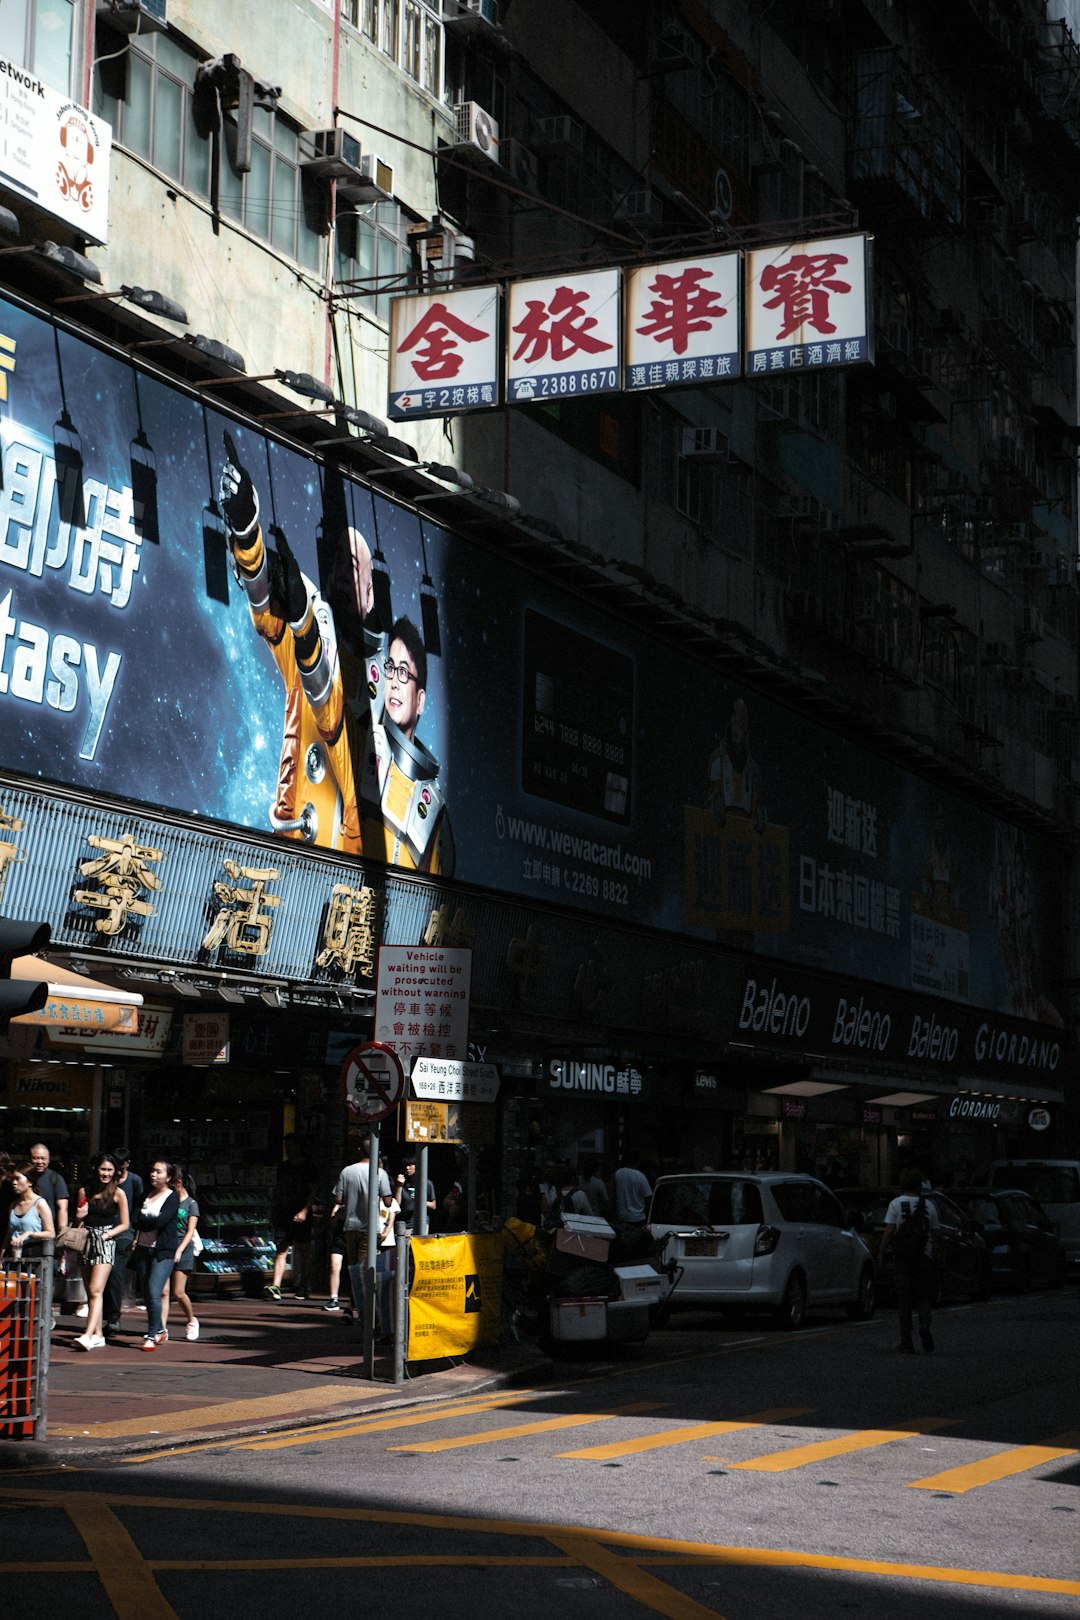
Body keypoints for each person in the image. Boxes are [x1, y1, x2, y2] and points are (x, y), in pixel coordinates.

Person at [360, 615, 454, 874]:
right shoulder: (362, 747)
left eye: (404, 672)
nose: (394, 683)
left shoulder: (433, 809)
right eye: (390, 668)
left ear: (420, 701)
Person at [880, 1167, 941, 1355]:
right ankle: (924, 1324)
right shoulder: (929, 1206)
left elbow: (890, 1231)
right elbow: (935, 1235)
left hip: (902, 1258)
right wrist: (935, 1256)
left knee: (904, 1299)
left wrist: (881, 1252)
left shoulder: (896, 1204)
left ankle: (906, 1341)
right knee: (923, 1295)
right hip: (923, 1256)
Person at [72, 1153, 129, 1351]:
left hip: (105, 1241)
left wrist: (108, 1235)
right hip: (86, 1240)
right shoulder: (84, 1191)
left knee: (97, 1289)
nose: (105, 1174)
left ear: (115, 1172)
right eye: (103, 1169)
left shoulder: (118, 1193)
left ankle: (88, 1335)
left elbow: (125, 1224)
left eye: (109, 1170)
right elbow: (77, 1223)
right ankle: (98, 1335)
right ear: (96, 1169)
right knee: (91, 1292)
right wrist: (79, 1217)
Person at [331, 1137, 391, 1315]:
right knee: (365, 1269)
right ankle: (360, 1308)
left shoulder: (347, 1171)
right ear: (377, 1153)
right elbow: (388, 1201)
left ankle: (352, 1306)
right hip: (370, 1228)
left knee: (353, 1267)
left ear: (359, 1150)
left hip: (350, 1226)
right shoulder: (380, 1173)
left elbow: (338, 1198)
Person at [133, 1159, 180, 1352]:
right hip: (143, 1248)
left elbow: (161, 1220)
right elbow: (135, 1217)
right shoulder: (146, 1194)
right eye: (152, 1171)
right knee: (146, 1292)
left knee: (154, 1291)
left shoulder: (172, 1196)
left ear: (168, 1177)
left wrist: (145, 1221)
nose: (154, 1175)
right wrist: (144, 1221)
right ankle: (160, 1328)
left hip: (163, 1251)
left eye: (159, 1172)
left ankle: (151, 1335)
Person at [266, 1134, 316, 1301]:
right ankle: (276, 1286)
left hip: (300, 1211)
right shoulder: (284, 1167)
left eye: (291, 1146)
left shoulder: (308, 1167)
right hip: (284, 1212)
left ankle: (304, 1286)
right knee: (281, 1248)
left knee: (303, 1250)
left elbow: (312, 1191)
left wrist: (305, 1210)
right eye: (286, 1146)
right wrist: (274, 1212)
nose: (288, 1149)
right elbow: (278, 1190)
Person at [104, 1147, 142, 1337]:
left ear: (127, 1163)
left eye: (120, 1166)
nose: (116, 1171)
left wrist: (136, 1235)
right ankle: (106, 1316)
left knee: (116, 1272)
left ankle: (113, 1317)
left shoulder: (134, 1181)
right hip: (105, 1230)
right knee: (103, 1274)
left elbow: (139, 1208)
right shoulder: (107, 1180)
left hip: (125, 1232)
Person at [161, 1169, 201, 1342]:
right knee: (164, 1291)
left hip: (183, 1248)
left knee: (178, 1292)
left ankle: (192, 1320)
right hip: (167, 1245)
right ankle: (161, 1328)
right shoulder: (169, 1201)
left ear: (178, 1183)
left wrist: (179, 1250)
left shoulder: (191, 1204)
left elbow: (190, 1231)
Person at [3, 1164, 55, 1255]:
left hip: (33, 1255)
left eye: (18, 1179)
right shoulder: (13, 1205)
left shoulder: (40, 1204)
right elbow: (8, 1234)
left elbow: (51, 1233)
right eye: (13, 1179)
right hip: (13, 1255)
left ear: (30, 1182)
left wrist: (29, 1234)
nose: (14, 1183)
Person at [29, 1142, 68, 1231]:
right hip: (25, 1229)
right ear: (30, 1159)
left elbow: (62, 1208)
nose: (40, 1162)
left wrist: (62, 1231)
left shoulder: (55, 1178)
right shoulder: (25, 1177)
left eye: (43, 1159)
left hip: (48, 1231)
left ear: (48, 1160)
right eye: (36, 1158)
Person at [395, 1153, 435, 1236]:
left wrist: (420, 1200)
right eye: (405, 1165)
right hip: (405, 1224)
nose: (407, 1168)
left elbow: (433, 1205)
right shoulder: (403, 1183)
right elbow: (397, 1204)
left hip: (422, 1222)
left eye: (410, 1165)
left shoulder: (427, 1183)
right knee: (405, 1247)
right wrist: (399, 1186)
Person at [613, 1157, 652, 1233]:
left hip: (622, 1217)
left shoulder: (617, 1173)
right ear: (637, 1162)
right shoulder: (640, 1176)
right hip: (638, 1218)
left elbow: (611, 1194)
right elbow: (648, 1197)